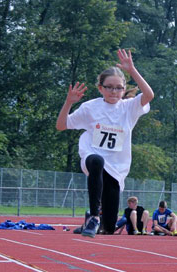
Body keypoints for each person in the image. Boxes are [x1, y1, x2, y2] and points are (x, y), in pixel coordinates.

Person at [56, 49, 154, 237]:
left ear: (124, 89)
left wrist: (132, 70)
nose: (114, 91)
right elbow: (61, 125)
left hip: (117, 168)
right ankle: (93, 216)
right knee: (97, 160)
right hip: (92, 159)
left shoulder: (129, 107)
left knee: (109, 228)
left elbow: (149, 95)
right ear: (100, 88)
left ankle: (92, 221)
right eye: (109, 87)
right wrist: (68, 102)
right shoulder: (90, 107)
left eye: (118, 87)